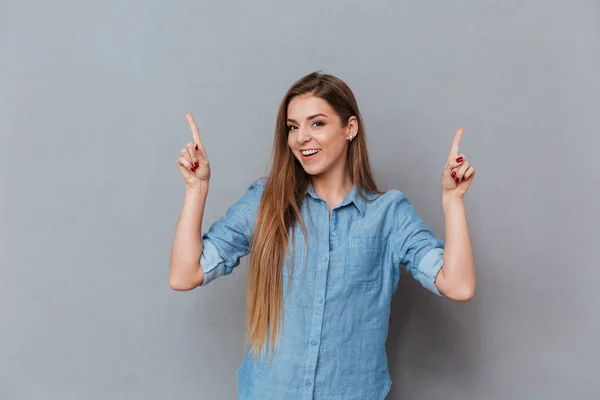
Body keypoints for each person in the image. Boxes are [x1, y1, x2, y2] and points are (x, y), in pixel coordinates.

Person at [169, 71, 476, 399]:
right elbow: (185, 275)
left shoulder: (389, 215)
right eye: (293, 126)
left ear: (350, 128)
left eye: (317, 123)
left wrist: (453, 200)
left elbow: (457, 285)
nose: (302, 137)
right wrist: (196, 188)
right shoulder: (264, 202)